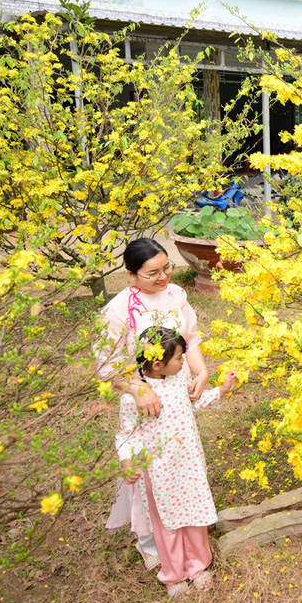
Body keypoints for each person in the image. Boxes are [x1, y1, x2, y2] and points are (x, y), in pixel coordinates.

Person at [99, 238, 210, 570]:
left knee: (183, 463)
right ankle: (153, 542)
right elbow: (108, 368)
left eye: (166, 268)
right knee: (151, 472)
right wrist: (138, 389)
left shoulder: (176, 295)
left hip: (175, 392)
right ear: (132, 275)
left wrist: (201, 370)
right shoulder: (117, 311)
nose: (162, 278)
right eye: (152, 274)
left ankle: (191, 526)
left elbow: (189, 338)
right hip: (143, 399)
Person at [115, 326, 237, 597]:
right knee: (167, 523)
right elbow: (127, 434)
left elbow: (193, 403)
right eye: (180, 358)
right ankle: (174, 574)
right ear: (158, 363)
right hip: (160, 471)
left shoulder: (178, 379)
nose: (185, 363)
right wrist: (127, 462)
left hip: (189, 463)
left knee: (193, 516)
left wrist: (222, 390)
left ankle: (198, 566)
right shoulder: (136, 396)